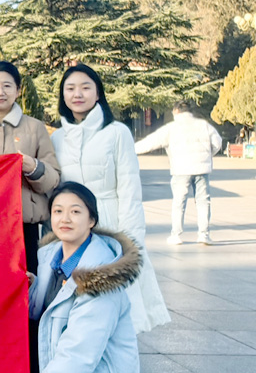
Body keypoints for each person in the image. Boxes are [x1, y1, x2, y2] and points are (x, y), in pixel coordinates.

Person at [23, 182, 141, 373]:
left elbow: (80, 351)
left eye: (75, 212)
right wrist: (31, 288)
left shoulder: (100, 277)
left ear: (92, 221)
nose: (65, 219)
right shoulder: (50, 256)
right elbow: (43, 315)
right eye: (58, 211)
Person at [51, 64, 169, 333]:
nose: (77, 94)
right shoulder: (57, 138)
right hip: (71, 227)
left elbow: (129, 187)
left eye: (85, 87)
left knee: (116, 301)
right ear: (63, 95)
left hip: (110, 220)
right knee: (77, 301)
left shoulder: (117, 132)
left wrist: (130, 237)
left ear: (97, 93)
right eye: (70, 88)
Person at [0, 61, 59, 274]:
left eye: (7, 86)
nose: (0, 92)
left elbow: (53, 178)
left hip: (24, 226)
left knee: (26, 283)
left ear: (18, 90)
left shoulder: (35, 127)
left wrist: (33, 167)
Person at [135, 100, 223, 245]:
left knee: (179, 202)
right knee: (203, 201)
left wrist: (131, 149)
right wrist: (208, 155)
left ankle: (176, 235)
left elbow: (150, 142)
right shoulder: (204, 125)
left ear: (176, 111)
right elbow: (217, 143)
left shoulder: (171, 128)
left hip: (181, 169)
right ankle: (204, 235)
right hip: (202, 169)